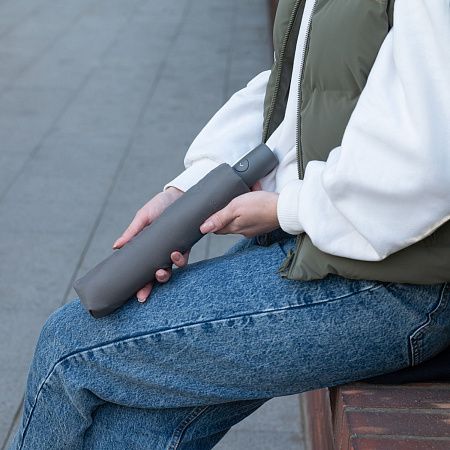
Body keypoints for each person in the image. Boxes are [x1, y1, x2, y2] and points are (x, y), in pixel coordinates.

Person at [10, 0, 450, 448]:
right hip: (322, 243)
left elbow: (429, 162)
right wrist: (190, 191)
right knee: (130, 428)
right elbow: (298, 86)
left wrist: (286, 208)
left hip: (396, 283)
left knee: (66, 347)